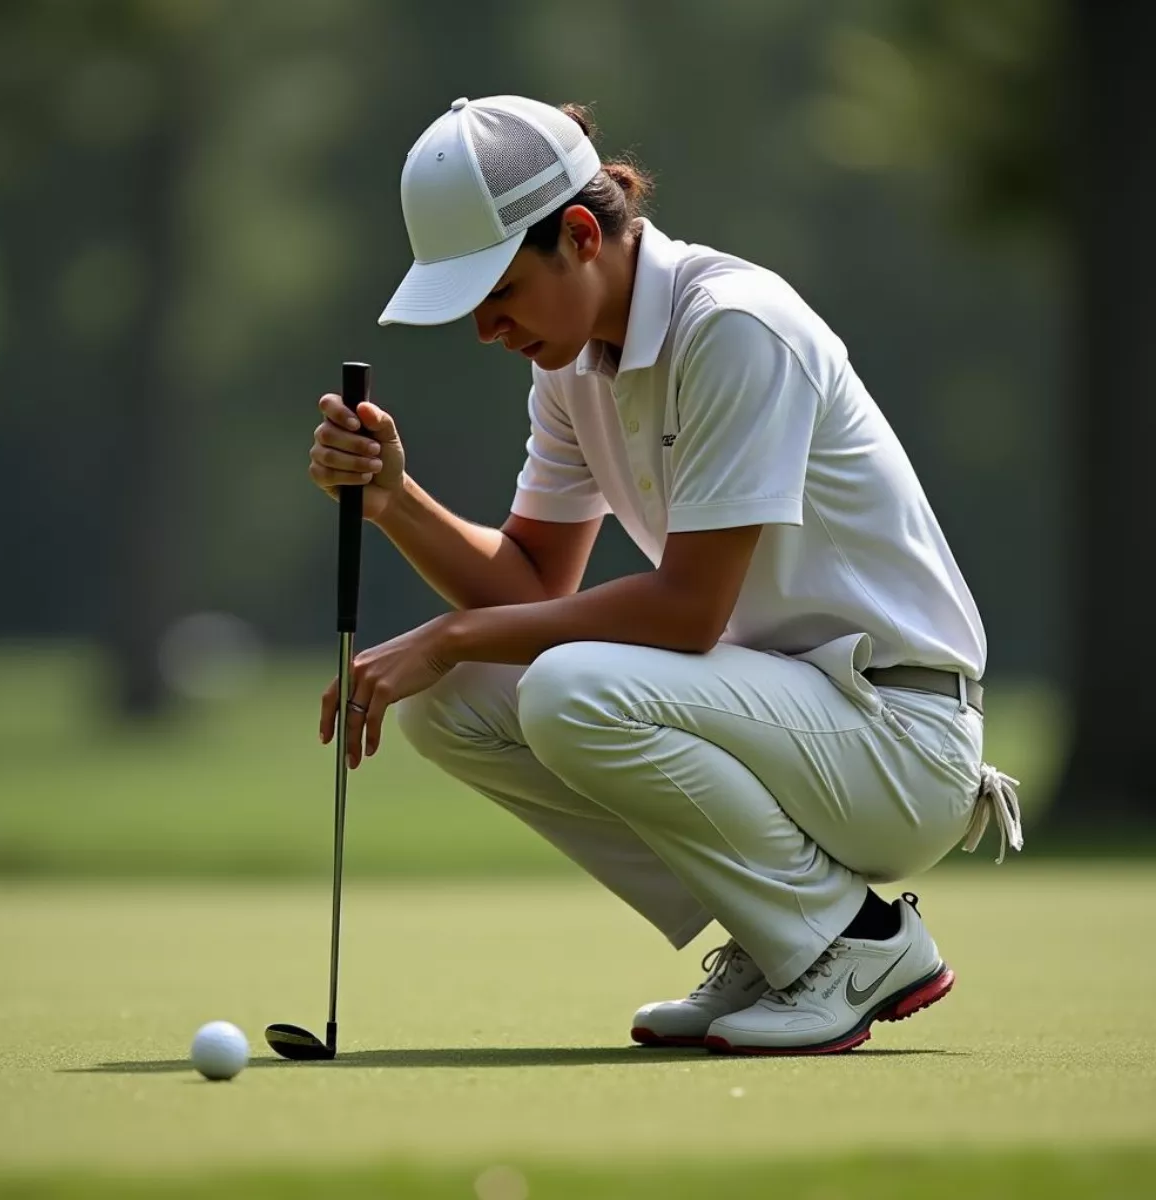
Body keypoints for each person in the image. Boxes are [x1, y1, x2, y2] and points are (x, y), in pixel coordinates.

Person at [308, 95, 1023, 1056]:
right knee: (458, 699)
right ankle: (783, 939)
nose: (485, 329)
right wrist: (396, 499)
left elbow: (687, 612)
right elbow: (530, 588)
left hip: (897, 740)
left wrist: (445, 635)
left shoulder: (735, 326)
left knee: (560, 686)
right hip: (789, 720)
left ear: (579, 234)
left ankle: (850, 943)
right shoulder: (568, 369)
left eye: (498, 292)